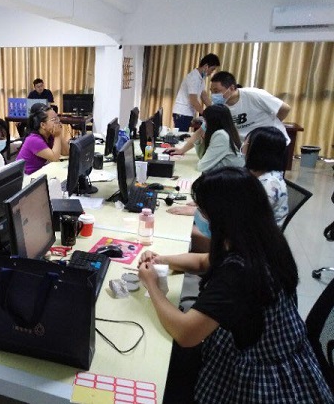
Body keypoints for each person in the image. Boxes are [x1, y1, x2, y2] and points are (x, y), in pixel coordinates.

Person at [138, 167, 333, 403]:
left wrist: (152, 286)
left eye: (204, 212)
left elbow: (186, 333)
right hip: (285, 357)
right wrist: (162, 260)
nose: (200, 217)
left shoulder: (239, 272)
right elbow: (203, 261)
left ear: (223, 217)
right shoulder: (261, 240)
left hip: (263, 380)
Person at [167, 71, 291, 155]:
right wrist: (182, 150)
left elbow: (285, 108)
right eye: (212, 91)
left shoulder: (254, 95)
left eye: (217, 91)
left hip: (272, 144)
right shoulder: (219, 107)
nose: (214, 95)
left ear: (231, 88)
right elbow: (202, 130)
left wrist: (272, 125)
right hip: (247, 147)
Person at [244, 126, 289, 227]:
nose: (243, 145)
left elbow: (247, 218)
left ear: (257, 151)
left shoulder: (270, 185)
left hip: (261, 234)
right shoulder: (257, 173)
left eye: (246, 143)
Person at [16, 103, 70, 175]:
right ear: (43, 125)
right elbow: (54, 158)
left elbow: (66, 153)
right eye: (54, 119)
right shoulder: (33, 140)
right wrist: (57, 136)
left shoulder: (49, 135)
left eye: (57, 118)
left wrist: (59, 134)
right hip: (25, 176)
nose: (58, 122)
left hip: (38, 172)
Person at [172, 54, 220, 132]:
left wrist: (213, 109)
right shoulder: (194, 78)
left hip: (187, 112)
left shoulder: (201, 78)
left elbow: (204, 95)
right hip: (182, 113)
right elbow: (193, 100)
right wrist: (206, 114)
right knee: (182, 136)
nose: (211, 72)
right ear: (206, 66)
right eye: (212, 69)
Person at [196, 104, 245, 172]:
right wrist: (203, 140)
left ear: (212, 121)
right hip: (232, 173)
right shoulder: (228, 131)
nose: (204, 123)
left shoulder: (221, 135)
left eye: (205, 120)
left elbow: (202, 166)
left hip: (231, 175)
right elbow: (203, 157)